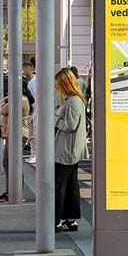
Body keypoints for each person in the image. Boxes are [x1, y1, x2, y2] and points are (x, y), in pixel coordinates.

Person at [54, 67, 88, 233]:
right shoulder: (76, 99)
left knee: (59, 185)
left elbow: (69, 125)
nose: (56, 86)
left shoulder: (73, 101)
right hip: (72, 148)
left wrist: (55, 119)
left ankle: (56, 220)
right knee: (71, 185)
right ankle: (70, 219)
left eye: (58, 83)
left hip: (66, 149)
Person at [0, 82, 31, 202]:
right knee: (7, 162)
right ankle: (10, 190)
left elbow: (2, 110)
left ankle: (16, 192)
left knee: (14, 164)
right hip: (13, 133)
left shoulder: (20, 99)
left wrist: (2, 101)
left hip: (18, 134)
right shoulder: (16, 98)